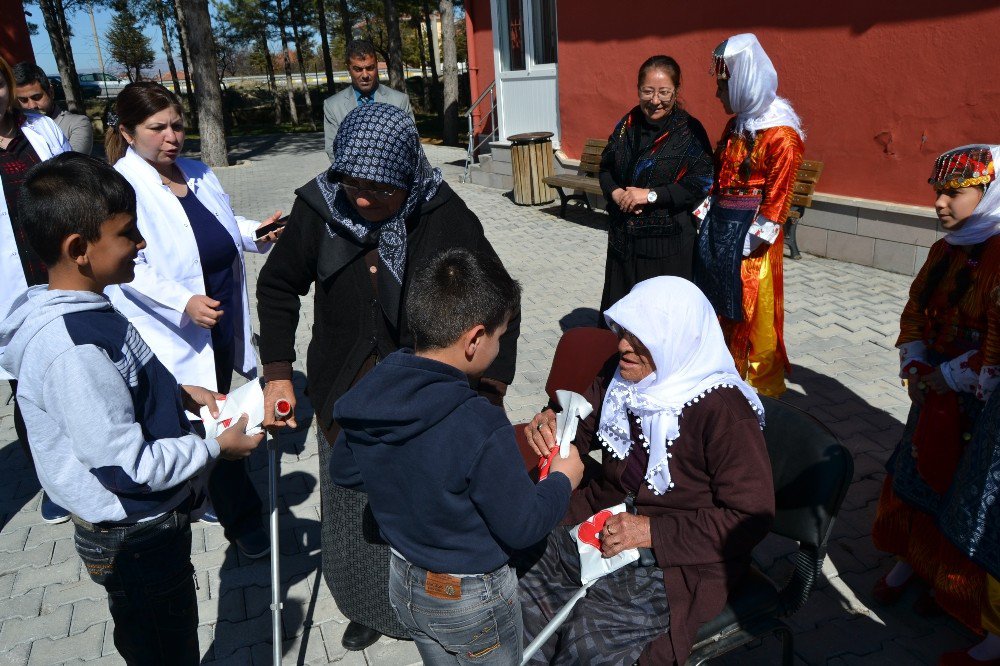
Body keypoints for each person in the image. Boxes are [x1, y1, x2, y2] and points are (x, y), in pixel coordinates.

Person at [257, 102, 520, 651]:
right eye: (353, 183)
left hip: (425, 398)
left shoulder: (442, 214)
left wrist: (490, 388)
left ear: (406, 174)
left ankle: (433, 605)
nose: (361, 198)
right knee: (355, 510)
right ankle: (367, 605)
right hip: (345, 389)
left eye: (379, 189)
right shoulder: (320, 207)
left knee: (422, 503)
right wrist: (277, 374)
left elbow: (499, 298)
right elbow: (279, 286)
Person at [0, 153, 264, 665]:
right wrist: (214, 447)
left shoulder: (95, 304)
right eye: (127, 234)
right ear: (79, 249)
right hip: (134, 536)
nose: (141, 244)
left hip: (148, 526)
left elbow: (125, 385)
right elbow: (129, 467)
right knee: (166, 649)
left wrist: (184, 393)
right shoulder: (72, 349)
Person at [330, 247, 583, 664]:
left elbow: (345, 470)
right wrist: (562, 479)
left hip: (404, 583)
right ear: (474, 339)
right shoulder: (479, 425)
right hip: (469, 599)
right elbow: (522, 527)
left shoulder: (374, 389)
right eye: (500, 337)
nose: (500, 349)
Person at [519, 276, 775, 665]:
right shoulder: (621, 372)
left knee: (590, 639)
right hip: (601, 522)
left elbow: (750, 516)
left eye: (641, 338)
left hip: (677, 559)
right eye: (624, 332)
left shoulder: (722, 411)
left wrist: (651, 531)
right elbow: (579, 426)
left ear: (675, 341)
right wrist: (553, 423)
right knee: (521, 581)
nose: (622, 345)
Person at [103, 82, 282, 557]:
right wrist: (181, 301)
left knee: (215, 408)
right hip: (171, 331)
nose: (171, 137)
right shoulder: (119, 186)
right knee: (204, 423)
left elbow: (225, 226)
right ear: (126, 132)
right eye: (156, 128)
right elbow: (126, 268)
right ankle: (240, 519)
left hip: (220, 316)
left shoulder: (198, 172)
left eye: (177, 125)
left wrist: (259, 232)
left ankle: (202, 490)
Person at [871, 144, 1000, 666]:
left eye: (955, 193)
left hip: (977, 401)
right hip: (933, 388)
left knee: (963, 488)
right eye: (938, 193)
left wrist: (948, 376)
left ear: (989, 194)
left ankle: (962, 595)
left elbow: (997, 341)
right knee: (917, 470)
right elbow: (916, 304)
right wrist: (915, 360)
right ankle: (913, 560)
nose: (941, 204)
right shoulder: (944, 249)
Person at [693, 33, 805, 397]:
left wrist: (743, 243)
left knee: (750, 314)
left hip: (749, 246)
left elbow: (776, 206)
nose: (717, 94)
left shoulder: (782, 136)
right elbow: (718, 178)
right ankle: (720, 381)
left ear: (743, 83)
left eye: (723, 85)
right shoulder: (735, 127)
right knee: (716, 308)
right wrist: (705, 217)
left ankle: (756, 393)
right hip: (720, 233)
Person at [0, 54, 72, 524]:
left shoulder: (40, 128)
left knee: (79, 367)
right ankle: (54, 481)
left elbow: (73, 182)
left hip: (58, 270)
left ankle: (97, 464)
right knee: (28, 388)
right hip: (8, 287)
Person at [598, 55, 713, 313]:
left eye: (664, 92)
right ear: (638, 90)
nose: (655, 100)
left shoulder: (689, 132)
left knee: (660, 319)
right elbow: (606, 168)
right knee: (624, 317)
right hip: (624, 246)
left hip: (667, 249)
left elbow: (701, 182)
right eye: (647, 92)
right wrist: (616, 193)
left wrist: (650, 196)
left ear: (676, 91)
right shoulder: (626, 126)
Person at [323, 39, 414, 162]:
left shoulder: (399, 101)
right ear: (348, 68)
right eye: (358, 69)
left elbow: (410, 145)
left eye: (370, 68)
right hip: (350, 178)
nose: (365, 75)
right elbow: (333, 150)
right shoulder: (332, 106)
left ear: (376, 65)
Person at [13, 62, 94, 155]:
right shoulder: (14, 127)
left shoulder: (77, 123)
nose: (32, 105)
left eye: (37, 97)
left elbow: (74, 165)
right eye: (24, 100)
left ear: (51, 92)